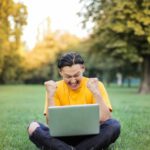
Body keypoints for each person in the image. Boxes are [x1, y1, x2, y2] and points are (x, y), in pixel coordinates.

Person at [27, 52, 121, 150]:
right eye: (68, 76)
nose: (73, 81)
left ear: (83, 68)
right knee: (32, 127)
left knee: (114, 125)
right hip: (62, 138)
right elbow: (51, 123)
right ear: (60, 72)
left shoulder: (96, 85)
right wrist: (50, 96)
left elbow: (105, 119)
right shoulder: (54, 88)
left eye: (76, 75)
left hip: (91, 137)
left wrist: (96, 93)